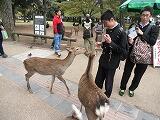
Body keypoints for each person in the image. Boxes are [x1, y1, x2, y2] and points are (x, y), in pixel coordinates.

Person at [119, 6, 159, 97]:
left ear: (150, 16)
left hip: (144, 56)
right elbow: (127, 37)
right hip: (131, 53)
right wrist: (129, 41)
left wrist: (142, 34)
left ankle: (132, 89)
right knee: (127, 72)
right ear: (140, 16)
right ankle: (122, 87)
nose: (145, 17)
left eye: (147, 15)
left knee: (138, 74)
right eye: (143, 15)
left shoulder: (154, 28)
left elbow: (152, 42)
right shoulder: (133, 26)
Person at [95, 10, 127, 98]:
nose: (104, 25)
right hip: (103, 60)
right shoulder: (109, 29)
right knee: (98, 81)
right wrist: (101, 44)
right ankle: (96, 95)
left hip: (112, 63)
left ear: (112, 19)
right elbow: (106, 44)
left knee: (108, 83)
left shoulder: (122, 32)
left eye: (105, 23)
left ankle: (106, 98)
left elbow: (123, 51)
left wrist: (111, 43)